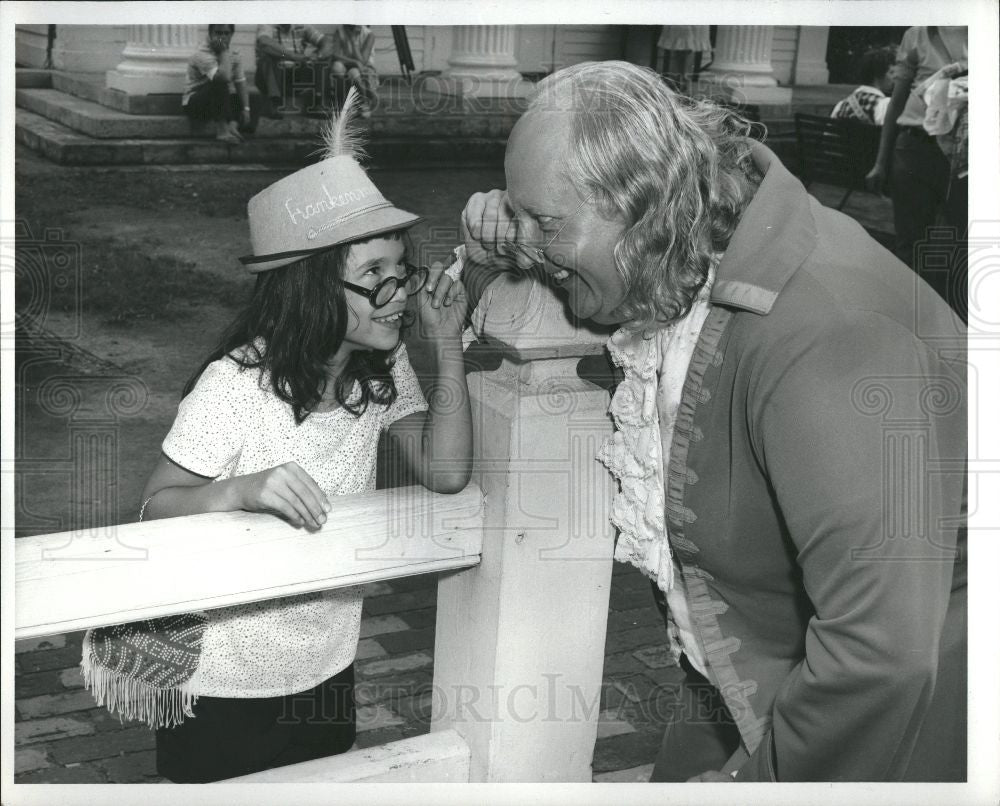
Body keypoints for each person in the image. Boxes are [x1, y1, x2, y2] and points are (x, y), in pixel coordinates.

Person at [457, 61, 966, 782]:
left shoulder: (834, 335)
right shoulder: (681, 247)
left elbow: (881, 656)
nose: (532, 243)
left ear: (641, 207)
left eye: (545, 222)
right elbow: (571, 268)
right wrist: (504, 231)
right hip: (745, 685)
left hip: (910, 736)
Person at [81, 89, 472, 783]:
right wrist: (242, 489)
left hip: (325, 662)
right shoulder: (237, 384)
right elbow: (153, 508)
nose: (399, 293)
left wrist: (450, 346)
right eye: (372, 277)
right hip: (224, 679)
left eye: (399, 271)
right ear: (313, 290)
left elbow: (444, 471)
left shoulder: (382, 369)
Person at [865, 26, 968, 320]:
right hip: (915, 148)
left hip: (968, 152)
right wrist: (881, 162)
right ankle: (901, 323)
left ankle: (952, 330)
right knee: (909, 246)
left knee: (962, 247)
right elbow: (896, 103)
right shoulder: (919, 33)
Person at [182, 24, 251, 144]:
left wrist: (246, 108)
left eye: (226, 33)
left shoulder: (235, 53)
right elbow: (224, 77)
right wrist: (223, 51)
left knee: (254, 96)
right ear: (210, 34)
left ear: (231, 34)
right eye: (218, 33)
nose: (223, 37)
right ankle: (223, 131)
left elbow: (240, 82)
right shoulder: (201, 54)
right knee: (220, 82)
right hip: (196, 103)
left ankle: (233, 126)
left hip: (219, 102)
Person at [254, 24, 328, 118]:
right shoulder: (267, 24)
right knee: (268, 56)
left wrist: (318, 55)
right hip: (272, 77)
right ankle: (276, 103)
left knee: (323, 57)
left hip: (294, 75)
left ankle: (318, 102)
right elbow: (264, 42)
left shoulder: (302, 25)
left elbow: (325, 42)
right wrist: (293, 56)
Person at [830, 45, 895, 125]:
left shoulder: (841, 106)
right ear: (877, 75)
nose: (894, 77)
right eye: (891, 72)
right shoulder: (884, 105)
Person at [326, 24, 379, 117]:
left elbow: (362, 61)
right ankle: (341, 102)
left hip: (365, 68)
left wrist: (352, 41)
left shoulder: (369, 35)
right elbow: (335, 55)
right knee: (336, 67)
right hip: (346, 64)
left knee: (353, 72)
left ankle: (363, 102)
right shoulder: (340, 31)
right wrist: (353, 62)